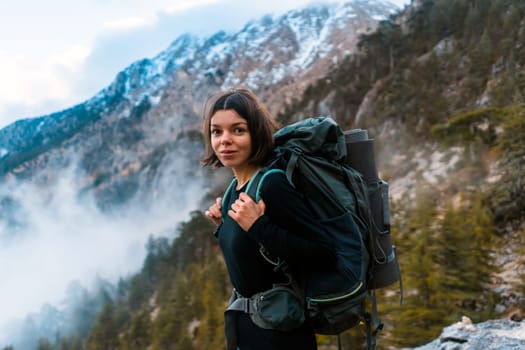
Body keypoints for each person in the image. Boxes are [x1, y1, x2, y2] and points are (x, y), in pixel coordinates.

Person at [202, 88, 336, 350]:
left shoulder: (272, 184)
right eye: (217, 131)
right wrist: (223, 228)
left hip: (282, 336)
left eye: (238, 130)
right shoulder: (234, 190)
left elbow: (324, 252)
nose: (224, 140)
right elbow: (253, 265)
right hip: (250, 331)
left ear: (256, 133)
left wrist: (259, 226)